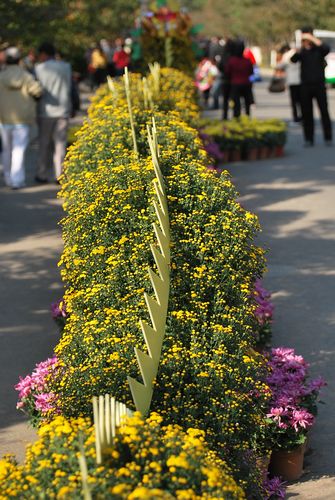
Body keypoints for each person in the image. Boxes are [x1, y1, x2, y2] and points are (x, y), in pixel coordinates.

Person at [0, 46, 42, 189]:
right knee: (18, 150)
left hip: (4, 119)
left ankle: (7, 179)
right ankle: (17, 180)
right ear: (18, 59)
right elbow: (37, 91)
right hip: (23, 119)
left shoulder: (1, 76)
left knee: (6, 150)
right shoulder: (26, 76)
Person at [34, 42, 72, 183]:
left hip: (45, 111)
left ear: (44, 54)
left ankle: (41, 173)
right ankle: (59, 174)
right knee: (60, 143)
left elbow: (36, 90)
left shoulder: (39, 68)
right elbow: (71, 88)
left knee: (43, 143)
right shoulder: (66, 67)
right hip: (63, 110)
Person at [291, 27, 332, 146]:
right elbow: (293, 59)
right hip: (305, 86)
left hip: (319, 85)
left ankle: (328, 137)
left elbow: (326, 49)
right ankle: (309, 139)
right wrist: (299, 47)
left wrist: (313, 39)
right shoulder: (302, 51)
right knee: (306, 113)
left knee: (324, 111)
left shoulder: (318, 49)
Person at [225, 41, 253, 118]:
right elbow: (251, 72)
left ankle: (236, 118)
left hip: (235, 84)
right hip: (246, 84)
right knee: (247, 103)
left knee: (236, 104)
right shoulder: (247, 61)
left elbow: (227, 72)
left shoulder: (231, 61)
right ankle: (247, 117)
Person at [279, 44, 302, 123]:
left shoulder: (286, 56)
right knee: (301, 101)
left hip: (292, 82)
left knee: (294, 101)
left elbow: (280, 66)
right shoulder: (299, 54)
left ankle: (296, 118)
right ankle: (302, 116)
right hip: (300, 81)